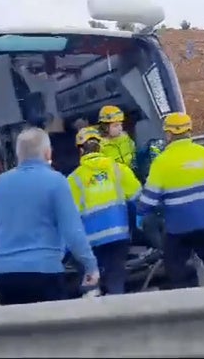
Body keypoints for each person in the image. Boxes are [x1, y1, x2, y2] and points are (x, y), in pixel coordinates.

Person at [0, 126, 99, 305]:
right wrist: (90, 265)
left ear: (18, 154)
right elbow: (72, 231)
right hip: (44, 271)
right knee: (50, 331)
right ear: (47, 152)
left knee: (17, 330)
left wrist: (2, 257)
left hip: (4, 275)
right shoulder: (56, 181)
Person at [137, 112, 204, 289]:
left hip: (178, 226)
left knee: (174, 264)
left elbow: (150, 198)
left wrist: (141, 212)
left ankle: (188, 297)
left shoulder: (161, 162)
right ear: (189, 131)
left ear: (168, 134)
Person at [68, 126, 142, 295]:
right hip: (118, 236)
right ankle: (117, 311)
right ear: (100, 146)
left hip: (91, 242)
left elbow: (69, 214)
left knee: (92, 279)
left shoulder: (74, 179)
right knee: (116, 275)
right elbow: (137, 194)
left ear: (80, 150)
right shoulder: (118, 168)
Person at [97, 105, 137, 169]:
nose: (120, 128)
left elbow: (134, 153)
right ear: (105, 127)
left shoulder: (125, 138)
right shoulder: (100, 147)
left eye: (120, 124)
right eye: (115, 126)